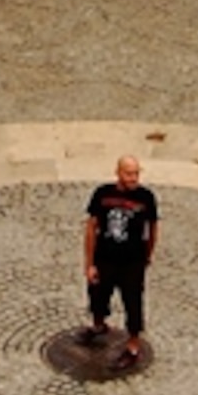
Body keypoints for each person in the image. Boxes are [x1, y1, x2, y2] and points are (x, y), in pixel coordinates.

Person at [82, 155, 159, 362]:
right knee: (97, 293)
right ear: (118, 172)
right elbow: (91, 228)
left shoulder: (146, 197)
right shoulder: (102, 194)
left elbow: (152, 228)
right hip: (105, 257)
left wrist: (148, 255)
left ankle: (133, 345)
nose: (133, 178)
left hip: (132, 261)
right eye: (129, 173)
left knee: (133, 301)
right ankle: (99, 324)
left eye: (136, 173)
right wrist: (89, 264)